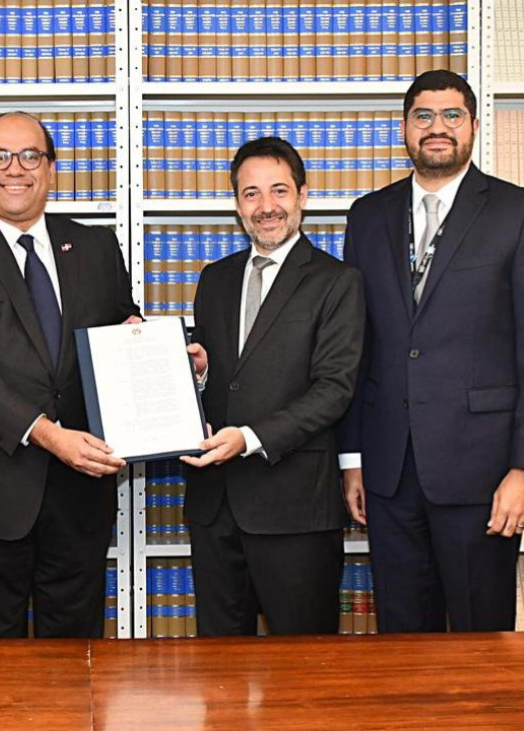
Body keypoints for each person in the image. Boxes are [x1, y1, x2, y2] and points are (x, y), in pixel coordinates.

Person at [338, 70, 524, 632]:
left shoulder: (520, 212)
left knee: (481, 640)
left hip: (483, 474)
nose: (436, 127)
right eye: (423, 116)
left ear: (473, 126)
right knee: (402, 641)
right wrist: (352, 460)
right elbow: (355, 348)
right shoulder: (367, 217)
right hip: (389, 474)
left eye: (451, 116)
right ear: (404, 128)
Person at [0, 111, 141, 638]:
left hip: (81, 493)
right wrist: (49, 435)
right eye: (0, 156)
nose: (15, 168)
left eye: (30, 156)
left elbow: (121, 329)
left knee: (77, 657)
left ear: (51, 169)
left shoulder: (96, 247)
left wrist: (165, 358)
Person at [182, 137, 364, 636]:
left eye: (279, 191)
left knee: (304, 666)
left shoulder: (337, 282)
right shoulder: (215, 279)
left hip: (295, 508)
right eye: (251, 194)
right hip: (215, 506)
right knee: (218, 665)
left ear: (303, 195)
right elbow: (227, 379)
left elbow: (335, 389)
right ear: (237, 203)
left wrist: (249, 438)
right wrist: (199, 375)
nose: (266, 207)